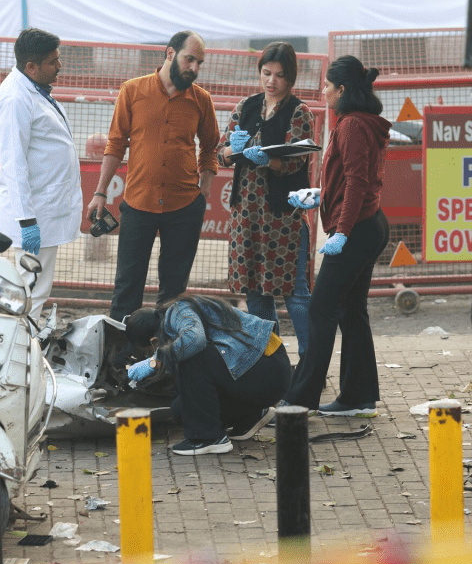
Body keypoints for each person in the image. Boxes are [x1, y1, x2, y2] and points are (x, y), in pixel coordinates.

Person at [282, 55, 391, 417]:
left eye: (327, 85)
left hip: (357, 229)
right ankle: (358, 397)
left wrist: (341, 230)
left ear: (342, 89)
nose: (323, 91)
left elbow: (358, 181)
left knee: (321, 308)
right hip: (367, 223)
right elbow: (351, 180)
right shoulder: (359, 123)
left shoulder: (352, 126)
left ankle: (301, 400)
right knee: (350, 311)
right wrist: (320, 196)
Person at [87, 30, 220, 321]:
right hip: (137, 203)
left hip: (185, 207)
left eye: (199, 63)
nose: (194, 69)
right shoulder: (133, 91)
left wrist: (204, 192)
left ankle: (164, 357)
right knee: (126, 289)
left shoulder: (201, 100)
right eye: (189, 59)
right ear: (170, 54)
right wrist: (100, 193)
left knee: (174, 294)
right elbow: (116, 144)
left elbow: (210, 148)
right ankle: (119, 359)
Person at [217, 42, 315, 356]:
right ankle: (272, 360)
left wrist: (268, 161)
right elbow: (220, 154)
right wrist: (233, 149)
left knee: (295, 292)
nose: (271, 81)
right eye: (266, 73)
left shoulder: (299, 112)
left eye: (279, 75)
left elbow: (298, 159)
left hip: (281, 216)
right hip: (245, 213)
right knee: (255, 292)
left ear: (291, 79)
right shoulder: (244, 107)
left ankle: (310, 360)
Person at [0, 27, 82, 321]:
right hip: (34, 214)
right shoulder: (16, 99)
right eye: (53, 61)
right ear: (32, 67)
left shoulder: (32, 91)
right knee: (29, 292)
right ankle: (20, 352)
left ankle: (24, 348)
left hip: (44, 208)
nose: (59, 66)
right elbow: (13, 163)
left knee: (33, 290)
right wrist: (27, 220)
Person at [125, 295, 290, 455]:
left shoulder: (178, 310)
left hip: (269, 368)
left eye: (150, 351)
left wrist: (156, 360)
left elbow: (195, 340)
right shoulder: (177, 319)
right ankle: (249, 416)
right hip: (260, 374)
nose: (152, 354)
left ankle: (209, 439)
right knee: (181, 410)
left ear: (154, 341)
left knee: (193, 357)